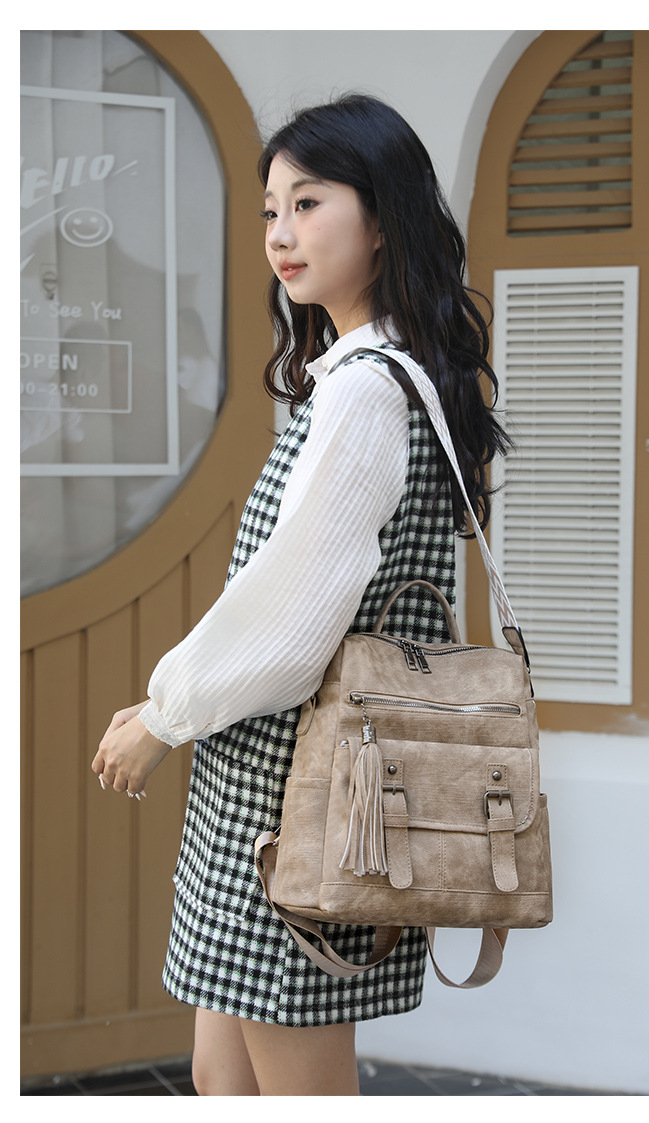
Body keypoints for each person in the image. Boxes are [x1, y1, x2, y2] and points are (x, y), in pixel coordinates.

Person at [92, 93, 511, 1096]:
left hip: (302, 788)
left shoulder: (366, 389)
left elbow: (296, 615)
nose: (280, 233)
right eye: (271, 210)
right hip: (281, 776)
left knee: (294, 1087)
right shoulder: (383, 372)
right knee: (222, 1074)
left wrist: (165, 713)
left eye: (309, 203)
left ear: (383, 218)